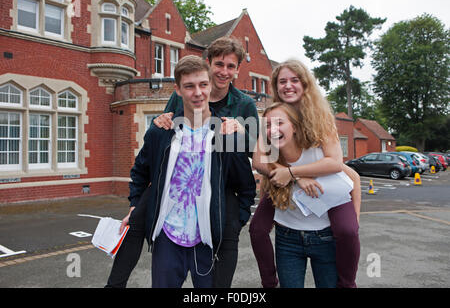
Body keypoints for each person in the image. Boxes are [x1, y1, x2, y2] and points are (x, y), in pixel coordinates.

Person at [109, 55, 255, 288]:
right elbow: (139, 172)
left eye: (203, 85)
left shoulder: (226, 135)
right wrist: (135, 205)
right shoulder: (162, 131)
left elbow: (246, 187)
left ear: (210, 85)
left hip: (207, 240)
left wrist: (236, 222)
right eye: (189, 86)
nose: (197, 93)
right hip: (168, 237)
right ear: (177, 89)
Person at [151, 36, 259, 287]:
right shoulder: (184, 95)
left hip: (221, 203)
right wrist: (161, 120)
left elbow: (259, 151)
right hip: (181, 199)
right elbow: (167, 134)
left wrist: (241, 133)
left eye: (231, 66)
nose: (224, 71)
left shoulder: (244, 104)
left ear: (237, 70)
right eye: (219, 64)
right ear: (208, 63)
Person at [250, 59, 361, 288]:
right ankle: (269, 282)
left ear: (306, 83)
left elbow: (336, 164)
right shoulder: (273, 117)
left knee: (348, 230)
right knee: (257, 228)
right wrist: (296, 177)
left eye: (294, 80)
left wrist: (293, 172)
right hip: (282, 182)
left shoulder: (321, 117)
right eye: (282, 81)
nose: (288, 86)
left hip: (325, 187)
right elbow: (260, 159)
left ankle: (347, 283)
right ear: (275, 86)